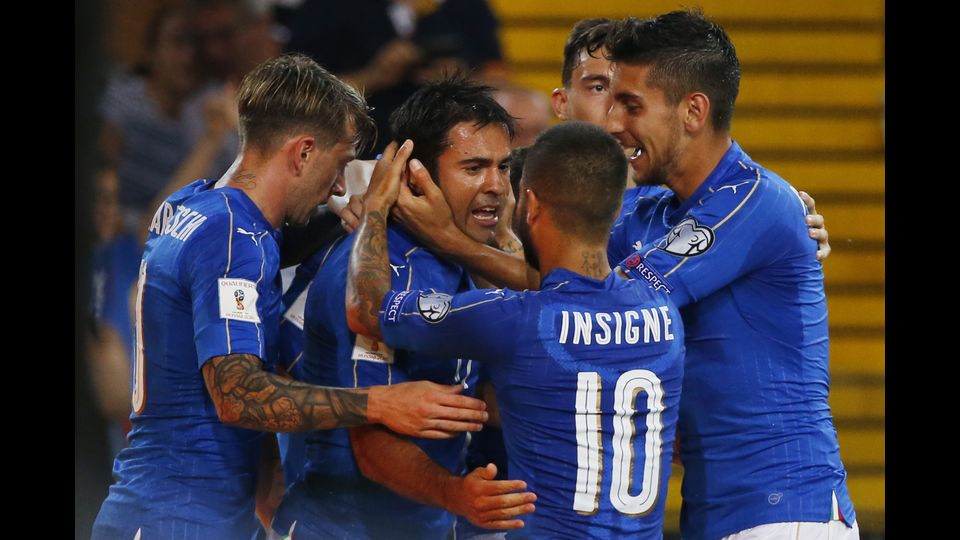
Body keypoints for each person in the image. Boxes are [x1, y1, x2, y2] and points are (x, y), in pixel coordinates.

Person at [90, 54, 488, 540]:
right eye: (339, 164)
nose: (339, 188)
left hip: (169, 506)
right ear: (302, 153)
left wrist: (367, 221)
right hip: (178, 517)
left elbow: (266, 240)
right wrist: (381, 403)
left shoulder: (190, 205)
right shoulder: (236, 239)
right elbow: (238, 396)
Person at [347, 120, 685, 538]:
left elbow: (367, 309)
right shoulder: (664, 311)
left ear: (531, 205)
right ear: (615, 209)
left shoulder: (515, 319)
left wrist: (375, 211)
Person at [602, 12, 857, 539]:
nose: (612, 123)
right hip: (712, 514)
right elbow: (562, 275)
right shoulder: (650, 212)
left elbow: (614, 302)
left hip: (790, 512)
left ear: (693, 110)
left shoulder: (756, 199)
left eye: (631, 105)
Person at [270, 76, 534, 540]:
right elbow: (373, 445)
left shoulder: (468, 257)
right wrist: (456, 495)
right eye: (473, 168)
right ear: (415, 175)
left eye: (503, 167)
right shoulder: (379, 274)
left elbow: (483, 398)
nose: (495, 186)